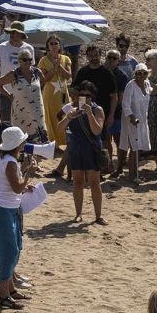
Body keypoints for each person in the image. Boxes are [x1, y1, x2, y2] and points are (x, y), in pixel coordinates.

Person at [0, 127, 36, 311]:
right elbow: (16, 187)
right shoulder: (9, 162)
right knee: (9, 251)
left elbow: (10, 185)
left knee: (13, 247)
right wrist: (29, 173)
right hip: (2, 210)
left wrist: (24, 184)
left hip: (4, 208)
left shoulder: (1, 156)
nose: (25, 144)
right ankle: (3, 295)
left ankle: (10, 289)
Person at [63, 85, 107, 224]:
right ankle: (78, 214)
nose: (85, 97)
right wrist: (69, 117)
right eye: (82, 94)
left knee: (94, 183)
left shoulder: (97, 110)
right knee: (78, 182)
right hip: (76, 148)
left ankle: (98, 216)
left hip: (91, 149)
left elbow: (97, 131)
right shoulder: (73, 110)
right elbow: (59, 127)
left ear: (92, 97)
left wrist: (89, 114)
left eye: (88, 95)